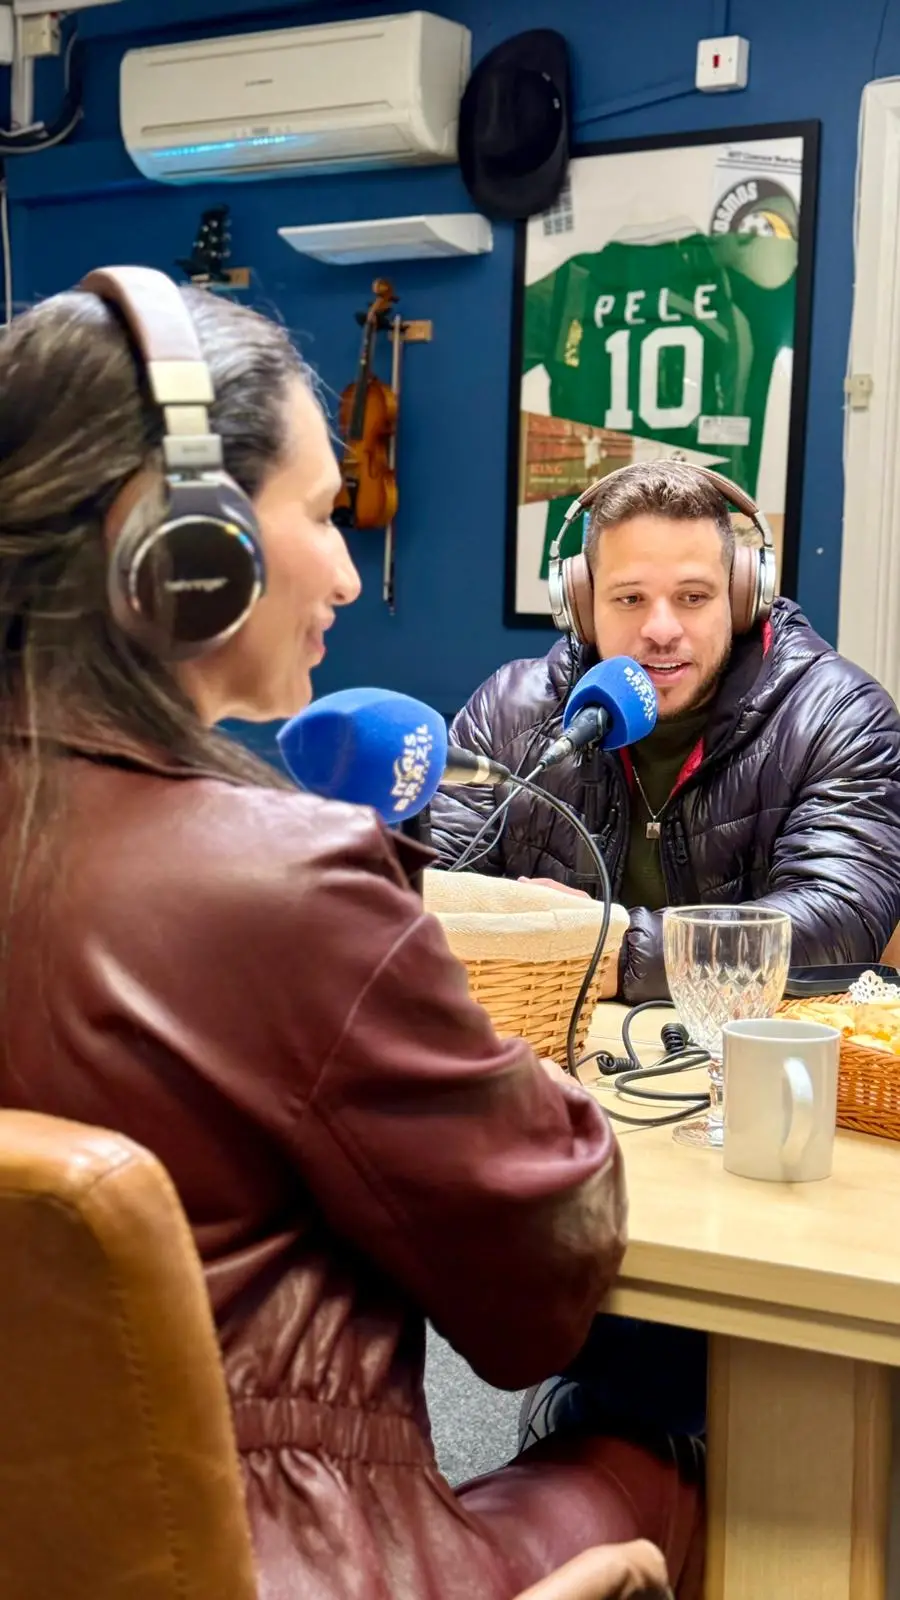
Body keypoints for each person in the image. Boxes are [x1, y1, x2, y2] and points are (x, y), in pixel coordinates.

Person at [0, 269, 702, 1600]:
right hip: (288, 1557)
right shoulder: (289, 881)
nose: (340, 567)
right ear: (185, 550)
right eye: (322, 513)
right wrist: (524, 1081)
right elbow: (535, 1305)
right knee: (662, 1456)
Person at [431, 461, 900, 1003]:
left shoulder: (838, 717)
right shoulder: (507, 713)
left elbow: (841, 918)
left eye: (693, 597)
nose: (661, 630)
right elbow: (424, 890)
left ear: (741, 598)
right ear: (581, 606)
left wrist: (616, 949)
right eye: (630, 599)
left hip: (747, 1047)